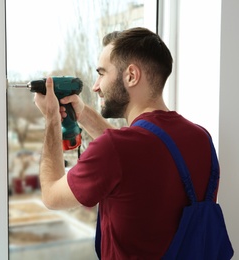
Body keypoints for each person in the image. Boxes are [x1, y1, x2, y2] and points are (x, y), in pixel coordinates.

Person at [34, 27, 216, 259]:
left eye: (102, 73)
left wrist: (51, 120)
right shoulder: (201, 138)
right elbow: (130, 156)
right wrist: (82, 113)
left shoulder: (116, 149)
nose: (95, 86)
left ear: (131, 75)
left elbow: (51, 195)